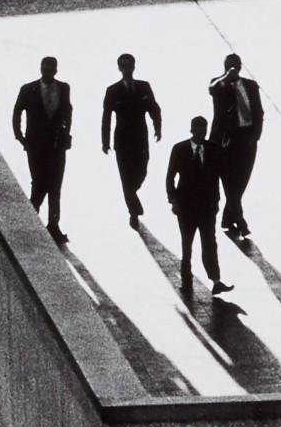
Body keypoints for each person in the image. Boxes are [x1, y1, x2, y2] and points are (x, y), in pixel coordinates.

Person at [167, 115, 234, 295]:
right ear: (192, 130)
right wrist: (173, 201)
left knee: (209, 243)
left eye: (204, 131)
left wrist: (217, 202)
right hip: (186, 207)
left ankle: (216, 280)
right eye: (198, 131)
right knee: (187, 245)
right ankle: (186, 281)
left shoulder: (213, 149)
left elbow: (220, 176)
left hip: (206, 207)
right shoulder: (179, 149)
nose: (201, 134)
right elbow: (170, 177)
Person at [11, 56, 74, 241]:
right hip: (35, 146)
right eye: (45, 69)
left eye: (51, 69)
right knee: (39, 183)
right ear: (41, 69)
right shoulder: (28, 89)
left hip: (57, 145)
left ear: (55, 70)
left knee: (55, 186)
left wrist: (66, 133)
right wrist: (20, 137)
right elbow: (17, 112)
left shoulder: (64, 88)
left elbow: (68, 112)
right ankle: (31, 219)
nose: (48, 72)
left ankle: (53, 225)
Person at [101, 53, 162, 226]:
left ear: (134, 68)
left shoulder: (144, 87)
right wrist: (105, 141)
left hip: (140, 138)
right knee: (126, 176)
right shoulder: (112, 90)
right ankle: (133, 212)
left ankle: (132, 195)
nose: (127, 69)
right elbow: (106, 117)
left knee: (141, 171)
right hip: (121, 140)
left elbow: (154, 109)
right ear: (120, 68)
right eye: (124, 66)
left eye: (130, 66)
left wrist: (158, 128)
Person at [208, 53, 263, 239]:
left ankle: (227, 218)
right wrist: (226, 78)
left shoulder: (250, 85)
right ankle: (240, 221)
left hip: (246, 140)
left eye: (235, 66)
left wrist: (255, 136)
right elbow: (212, 89)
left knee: (240, 182)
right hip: (224, 141)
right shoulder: (219, 84)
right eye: (228, 67)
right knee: (230, 182)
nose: (232, 69)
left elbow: (259, 112)